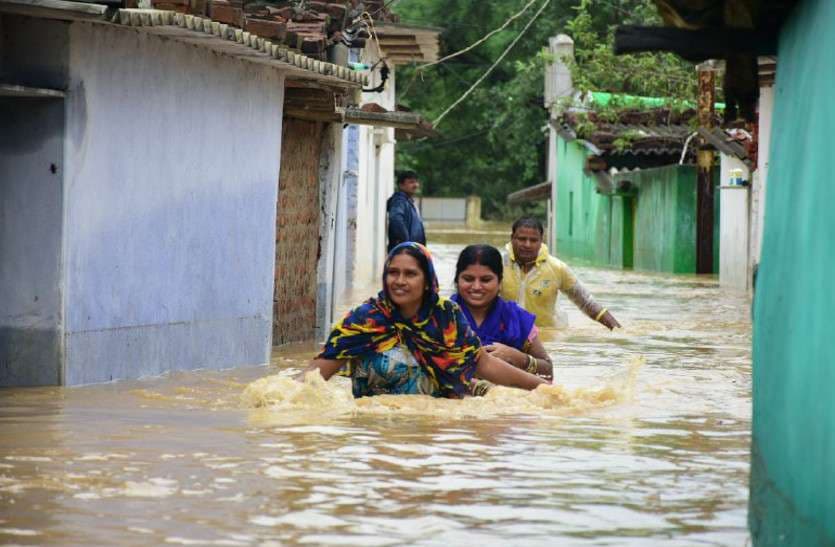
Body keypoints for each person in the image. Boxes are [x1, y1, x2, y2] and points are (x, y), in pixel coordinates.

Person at [302, 242, 547, 398]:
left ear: (427, 280)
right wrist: (275, 398)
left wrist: (546, 392)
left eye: (410, 274)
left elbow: (483, 364)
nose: (399, 281)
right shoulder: (364, 319)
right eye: (393, 273)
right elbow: (315, 376)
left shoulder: (446, 317)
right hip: (374, 432)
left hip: (431, 430)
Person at [451, 245, 553, 382]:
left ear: (499, 282)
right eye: (468, 279)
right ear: (457, 281)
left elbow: (548, 371)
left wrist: (518, 357)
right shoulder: (440, 316)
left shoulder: (518, 319)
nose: (476, 287)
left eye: (485, 280)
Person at [501, 217, 621, 330]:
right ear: (512, 238)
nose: (527, 245)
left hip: (546, 337)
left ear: (541, 241)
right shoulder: (497, 265)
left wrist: (618, 331)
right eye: (522, 239)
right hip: (507, 336)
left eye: (533, 240)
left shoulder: (557, 268)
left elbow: (586, 302)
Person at [386, 171, 426, 252]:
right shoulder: (399, 201)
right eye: (411, 182)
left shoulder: (408, 201)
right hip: (405, 252)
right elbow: (395, 219)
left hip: (412, 251)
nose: (416, 185)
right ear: (401, 185)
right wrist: (406, 244)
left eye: (416, 182)